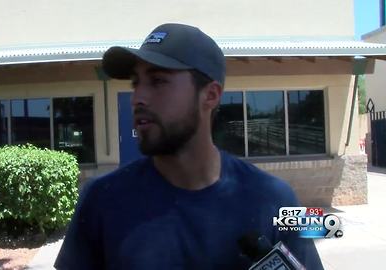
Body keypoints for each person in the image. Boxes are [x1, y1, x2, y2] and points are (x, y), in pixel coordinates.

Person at [54, 23, 324, 269]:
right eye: (136, 83)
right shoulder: (100, 200)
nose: (137, 98)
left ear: (210, 95)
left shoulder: (278, 199)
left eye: (158, 81)